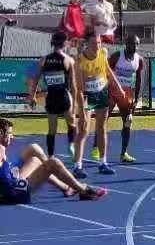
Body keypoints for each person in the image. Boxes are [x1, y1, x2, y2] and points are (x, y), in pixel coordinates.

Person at [0, 119, 107, 204]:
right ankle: (82, 190)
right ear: (0, 133)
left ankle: (69, 188)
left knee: (36, 160)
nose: (12, 136)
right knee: (53, 163)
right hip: (16, 193)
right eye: (9, 133)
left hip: (13, 187)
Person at [75, 35, 123, 178]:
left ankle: (103, 163)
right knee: (84, 130)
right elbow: (79, 89)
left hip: (101, 92)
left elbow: (108, 70)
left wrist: (119, 87)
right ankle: (77, 167)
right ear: (87, 44)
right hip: (87, 95)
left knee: (102, 128)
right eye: (94, 43)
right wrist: (82, 111)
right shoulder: (80, 61)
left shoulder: (103, 53)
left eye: (99, 43)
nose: (97, 46)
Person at [28, 32, 77, 159]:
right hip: (64, 96)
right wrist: (75, 105)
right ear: (64, 43)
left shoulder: (44, 60)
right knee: (72, 123)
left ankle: (50, 156)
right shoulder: (69, 60)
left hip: (51, 98)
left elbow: (35, 79)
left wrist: (33, 96)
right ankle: (71, 144)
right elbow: (73, 85)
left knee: (52, 130)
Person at [108, 35, 144, 164]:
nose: (135, 47)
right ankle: (96, 147)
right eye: (132, 44)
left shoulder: (139, 60)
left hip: (127, 94)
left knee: (128, 121)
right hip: (113, 91)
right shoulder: (117, 56)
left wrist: (136, 99)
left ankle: (123, 153)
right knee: (102, 119)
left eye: (137, 44)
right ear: (126, 44)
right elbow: (106, 70)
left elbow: (139, 80)